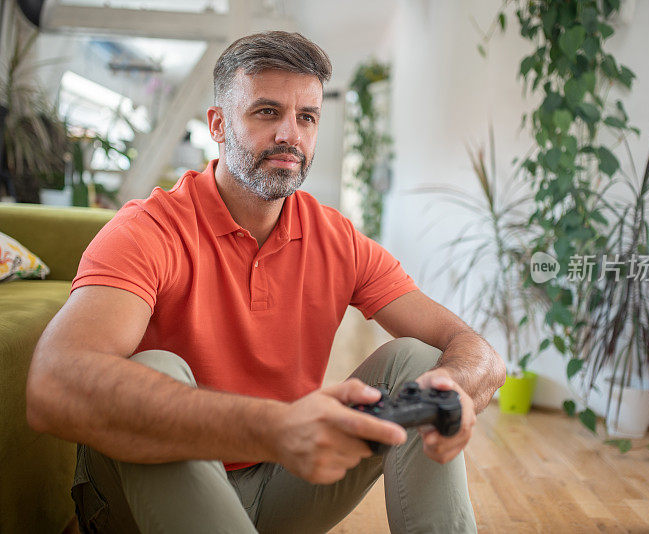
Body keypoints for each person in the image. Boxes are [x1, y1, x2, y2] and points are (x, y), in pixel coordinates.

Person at [26, 31, 506, 534]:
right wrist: (273, 428)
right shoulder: (149, 230)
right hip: (144, 495)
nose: (290, 136)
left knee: (419, 362)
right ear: (218, 124)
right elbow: (52, 382)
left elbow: (476, 350)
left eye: (307, 117)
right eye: (266, 112)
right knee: (156, 368)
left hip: (278, 485)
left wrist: (454, 392)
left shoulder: (335, 238)